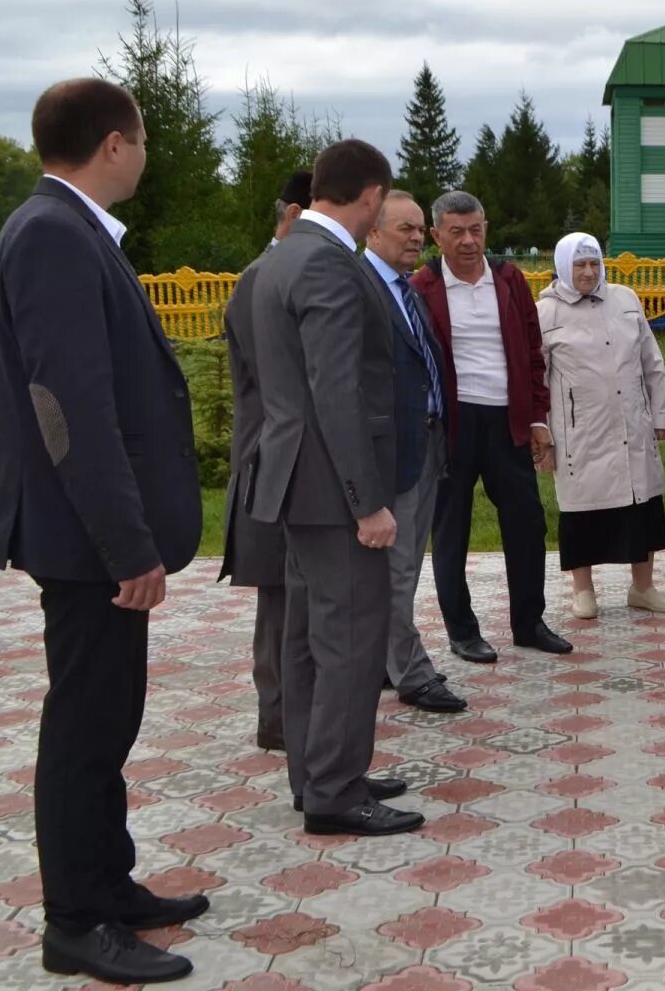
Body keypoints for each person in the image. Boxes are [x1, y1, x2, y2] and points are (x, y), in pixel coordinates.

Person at [0, 78, 204, 985]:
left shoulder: (64, 232)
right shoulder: (56, 236)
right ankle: (74, 922)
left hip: (90, 536)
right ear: (114, 143)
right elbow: (68, 408)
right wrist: (127, 545)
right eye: (141, 138)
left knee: (109, 717)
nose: (145, 153)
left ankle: (110, 884)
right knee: (85, 727)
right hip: (85, 542)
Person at [248, 139, 421, 836]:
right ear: (372, 196)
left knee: (306, 635)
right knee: (350, 634)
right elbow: (337, 390)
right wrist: (368, 502)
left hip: (293, 482)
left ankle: (315, 770)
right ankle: (335, 790)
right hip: (330, 489)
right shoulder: (328, 264)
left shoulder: (282, 255)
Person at [411, 190, 571, 661]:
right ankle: (462, 631)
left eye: (475, 229)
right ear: (437, 235)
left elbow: (532, 350)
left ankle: (529, 622)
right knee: (451, 528)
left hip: (507, 421)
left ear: (486, 229)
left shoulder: (508, 280)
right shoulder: (423, 287)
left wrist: (538, 418)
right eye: (456, 232)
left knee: (527, 523)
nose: (467, 241)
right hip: (453, 424)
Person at [218, 168, 313, 751]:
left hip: (287, 458)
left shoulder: (277, 270)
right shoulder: (264, 279)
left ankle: (289, 713)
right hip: (272, 461)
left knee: (293, 591)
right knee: (281, 596)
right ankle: (278, 717)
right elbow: (285, 381)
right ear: (298, 215)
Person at [361, 190, 466, 712]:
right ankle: (411, 672)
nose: (417, 238)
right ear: (373, 232)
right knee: (397, 570)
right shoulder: (363, 290)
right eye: (405, 228)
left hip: (427, 444)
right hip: (391, 455)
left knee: (405, 566)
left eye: (420, 229)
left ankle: (386, 659)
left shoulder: (408, 290)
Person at [538, 231, 665, 618]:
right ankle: (584, 591)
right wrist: (542, 434)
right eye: (579, 265)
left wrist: (661, 413)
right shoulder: (545, 312)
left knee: (642, 505)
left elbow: (652, 360)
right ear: (564, 267)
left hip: (630, 423)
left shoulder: (625, 299)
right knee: (582, 511)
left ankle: (643, 587)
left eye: (594, 264)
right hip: (579, 431)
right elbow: (538, 379)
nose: (587, 272)